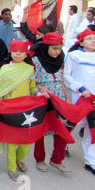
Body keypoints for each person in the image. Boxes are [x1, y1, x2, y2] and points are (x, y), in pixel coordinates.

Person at [0, 40, 39, 182]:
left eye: (21, 52)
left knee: (27, 138)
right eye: (15, 52)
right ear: (10, 53)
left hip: (26, 109)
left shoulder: (30, 69)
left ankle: (20, 158)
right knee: (12, 140)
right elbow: (0, 88)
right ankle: (11, 167)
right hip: (10, 108)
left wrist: (39, 94)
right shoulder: (5, 69)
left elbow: (33, 87)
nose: (18, 54)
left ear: (26, 54)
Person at [31, 32, 71, 174]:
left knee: (61, 130)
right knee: (41, 131)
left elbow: (63, 80)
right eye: (54, 48)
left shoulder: (61, 59)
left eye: (59, 48)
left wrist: (67, 98)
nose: (57, 52)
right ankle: (40, 159)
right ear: (46, 46)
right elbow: (31, 83)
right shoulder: (35, 61)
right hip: (43, 99)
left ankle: (57, 160)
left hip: (59, 98)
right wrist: (39, 89)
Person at [63, 29, 95, 177]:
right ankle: (62, 146)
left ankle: (91, 162)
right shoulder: (73, 56)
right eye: (89, 38)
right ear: (82, 41)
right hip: (79, 97)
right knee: (74, 124)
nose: (93, 41)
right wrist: (80, 88)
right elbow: (66, 75)